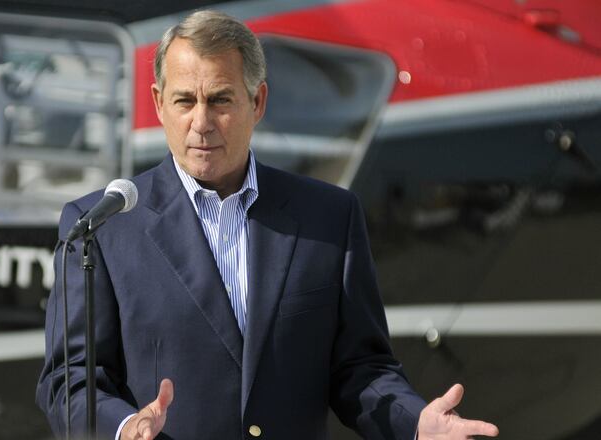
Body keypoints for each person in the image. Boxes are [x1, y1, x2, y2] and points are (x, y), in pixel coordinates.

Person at [37, 10, 499, 440]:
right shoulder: (102, 226)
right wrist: (124, 428)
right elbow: (67, 381)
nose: (201, 122)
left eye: (220, 100)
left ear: (257, 102)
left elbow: (360, 368)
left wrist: (414, 423)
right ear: (159, 104)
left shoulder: (328, 216)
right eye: (184, 101)